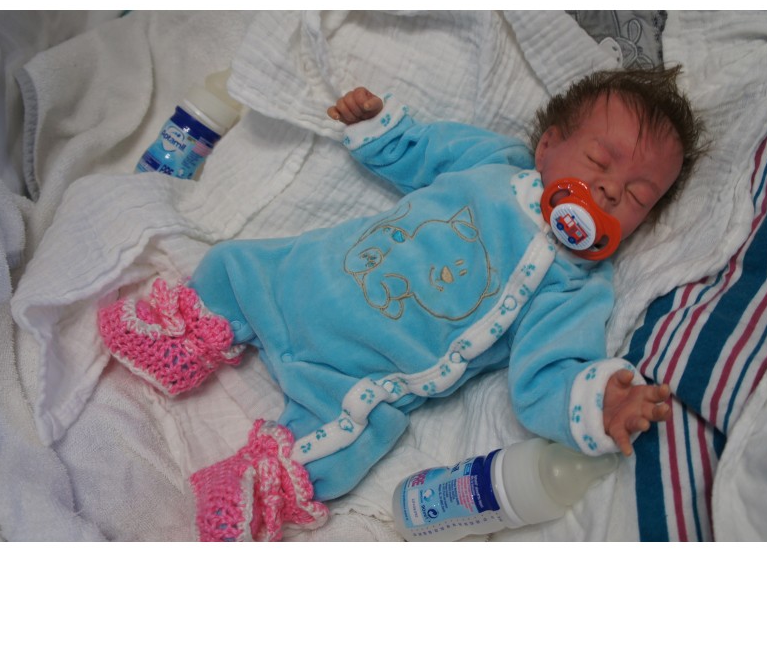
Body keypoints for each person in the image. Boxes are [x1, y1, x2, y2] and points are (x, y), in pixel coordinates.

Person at [98, 67, 705, 541]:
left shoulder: (577, 284)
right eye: (599, 161)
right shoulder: (495, 162)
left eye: (637, 196)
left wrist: (598, 403)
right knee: (234, 266)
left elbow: (547, 373)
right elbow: (422, 152)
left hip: (360, 373)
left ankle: (254, 483)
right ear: (548, 146)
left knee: (348, 440)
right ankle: (179, 338)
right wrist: (376, 124)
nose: (610, 188)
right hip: (303, 277)